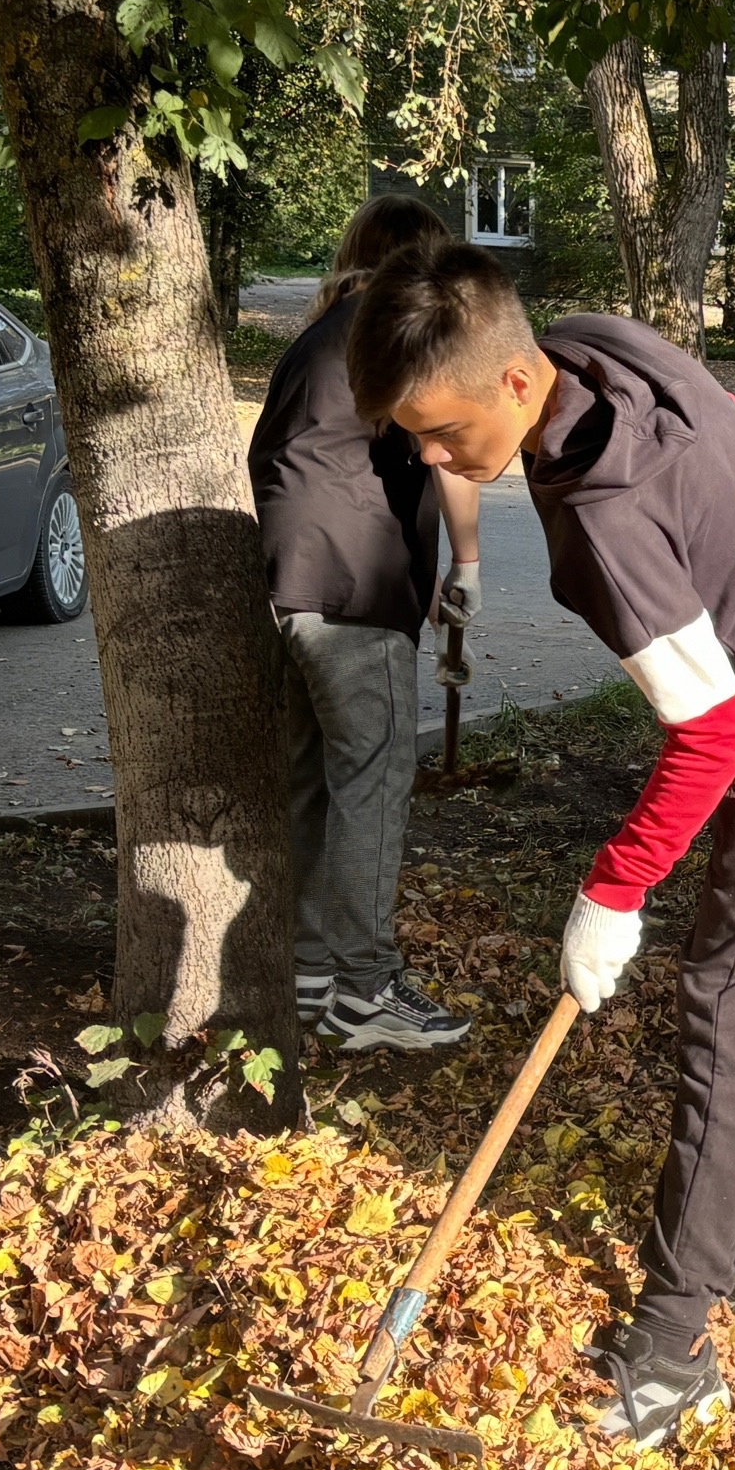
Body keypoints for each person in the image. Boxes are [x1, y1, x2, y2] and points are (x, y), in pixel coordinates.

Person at [346, 242, 735, 1450]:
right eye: (406, 441)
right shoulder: (591, 344)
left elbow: (712, 735)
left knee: (732, 998)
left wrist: (613, 892)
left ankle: (674, 1344)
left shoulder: (606, 513)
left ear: (507, 382)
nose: (429, 462)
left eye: (437, 435)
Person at [249, 195, 484, 1053]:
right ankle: (366, 987)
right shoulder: (397, 328)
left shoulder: (320, 333)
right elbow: (453, 445)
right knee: (374, 783)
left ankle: (310, 972)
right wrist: (466, 566)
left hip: (287, 583)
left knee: (314, 777)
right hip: (356, 584)